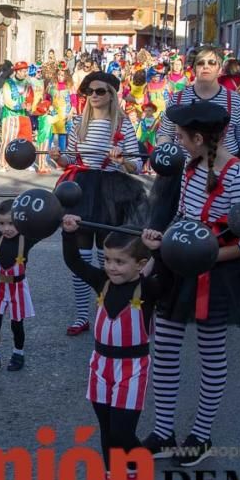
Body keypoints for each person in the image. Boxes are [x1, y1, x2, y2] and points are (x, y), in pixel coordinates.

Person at [142, 102, 240, 466]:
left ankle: (200, 435)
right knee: (164, 348)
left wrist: (209, 255)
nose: (177, 143)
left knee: (211, 354)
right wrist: (159, 244)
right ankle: (163, 430)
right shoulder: (189, 167)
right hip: (179, 264)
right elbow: (182, 216)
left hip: (217, 271)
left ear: (198, 138)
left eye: (181, 137)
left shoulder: (237, 176)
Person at [60, 217, 172, 480]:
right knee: (108, 430)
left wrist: (157, 251)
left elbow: (171, 278)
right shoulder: (103, 282)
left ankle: (136, 473)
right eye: (108, 259)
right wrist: (69, 233)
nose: (111, 267)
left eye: (120, 262)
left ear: (140, 264)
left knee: (123, 431)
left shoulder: (148, 290)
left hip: (132, 369)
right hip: (100, 366)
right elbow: (74, 262)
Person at [50, 71, 146, 337]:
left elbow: (136, 165)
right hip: (80, 190)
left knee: (109, 258)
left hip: (112, 191)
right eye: (89, 91)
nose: (93, 96)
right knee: (81, 257)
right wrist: (59, 158)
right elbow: (69, 158)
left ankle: (107, 309)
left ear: (112, 94)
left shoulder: (122, 124)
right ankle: (82, 315)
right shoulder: (79, 122)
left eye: (100, 91)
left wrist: (121, 161)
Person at [150, 45, 240, 231]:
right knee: (168, 228)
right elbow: (165, 135)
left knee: (220, 229)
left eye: (211, 63)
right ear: (193, 68)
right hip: (182, 173)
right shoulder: (177, 99)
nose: (206, 67)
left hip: (221, 172)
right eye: (200, 63)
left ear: (220, 68)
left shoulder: (234, 100)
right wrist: (165, 158)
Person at [0, 196, 47, 375]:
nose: (6, 228)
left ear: (21, 221)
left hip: (17, 289)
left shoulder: (27, 239)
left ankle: (18, 353)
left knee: (17, 325)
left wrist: (53, 214)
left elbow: (45, 228)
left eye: (11, 223)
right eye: (2, 223)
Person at [0, 62, 34, 172]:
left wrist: (30, 105)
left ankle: (27, 162)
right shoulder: (8, 83)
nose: (25, 73)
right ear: (17, 71)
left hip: (24, 115)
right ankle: (3, 164)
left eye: (26, 71)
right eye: (23, 71)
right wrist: (19, 105)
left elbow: (31, 97)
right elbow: (8, 101)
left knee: (27, 140)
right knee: (8, 140)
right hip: (10, 116)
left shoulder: (28, 83)